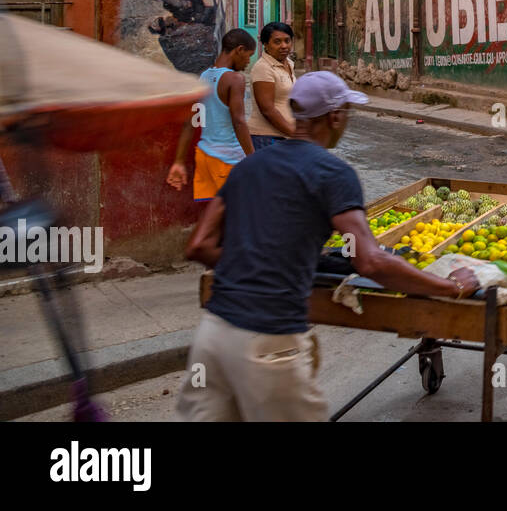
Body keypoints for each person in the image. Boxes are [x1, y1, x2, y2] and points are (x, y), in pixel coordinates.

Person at [176, 72, 479, 421]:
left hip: (212, 338)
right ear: (334, 116)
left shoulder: (248, 167)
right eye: (347, 112)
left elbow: (198, 245)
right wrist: (450, 287)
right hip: (269, 341)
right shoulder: (332, 174)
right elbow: (371, 262)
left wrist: (258, 261)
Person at [166, 29, 256, 201]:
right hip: (228, 159)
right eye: (248, 55)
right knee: (241, 216)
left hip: (205, 157)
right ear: (239, 50)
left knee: (214, 217)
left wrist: (178, 161)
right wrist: (253, 158)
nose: (248, 61)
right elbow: (239, 121)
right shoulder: (235, 79)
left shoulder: (204, 77)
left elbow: (189, 123)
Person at [247, 21, 297, 149]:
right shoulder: (263, 68)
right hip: (267, 138)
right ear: (265, 45)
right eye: (277, 42)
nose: (284, 46)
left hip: (285, 136)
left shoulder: (289, 64)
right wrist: (296, 135)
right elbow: (267, 110)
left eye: (287, 40)